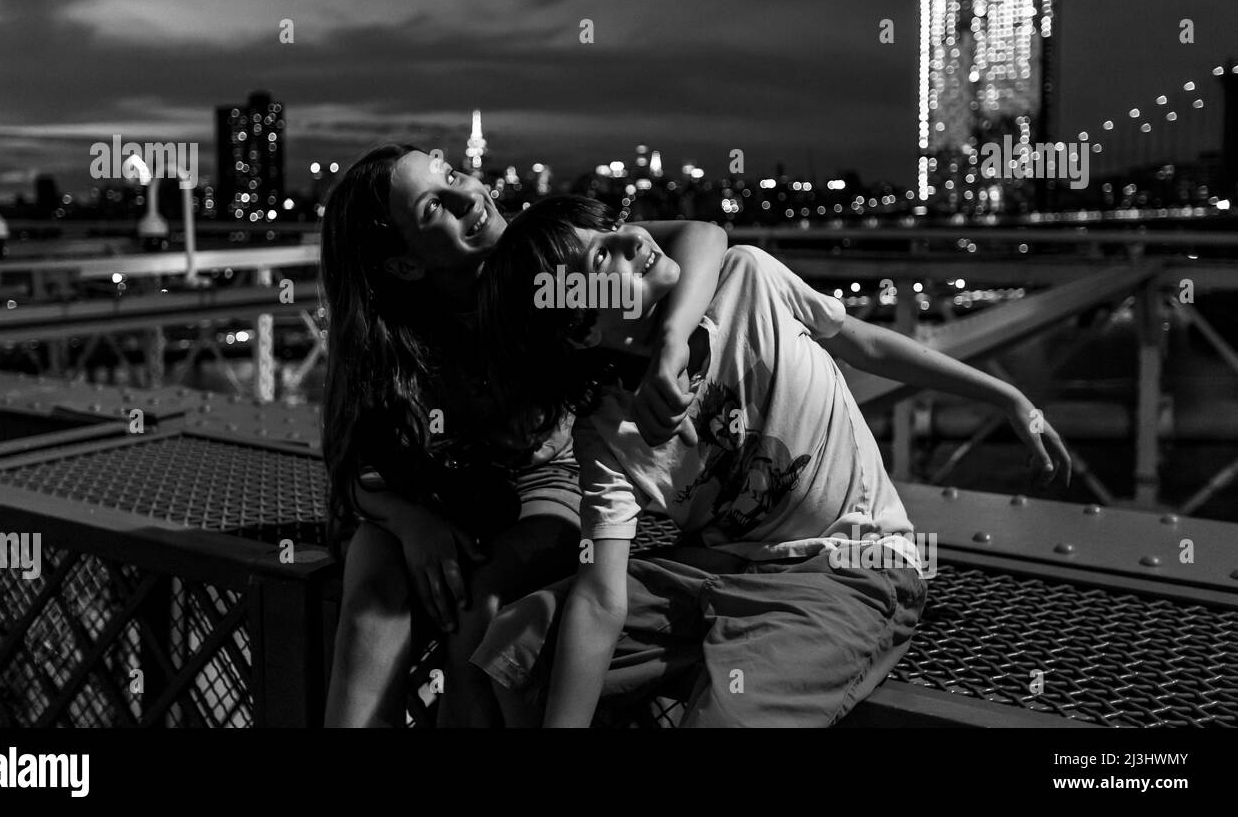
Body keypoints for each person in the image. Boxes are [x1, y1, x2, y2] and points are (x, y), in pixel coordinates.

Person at [472, 195, 1072, 727]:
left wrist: (1007, 397)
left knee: (728, 715)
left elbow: (865, 342)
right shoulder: (606, 431)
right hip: (715, 571)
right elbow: (602, 598)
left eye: (615, 229)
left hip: (848, 565)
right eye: (602, 261)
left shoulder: (747, 279)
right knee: (515, 647)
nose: (633, 240)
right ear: (577, 331)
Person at [319, 146, 728, 726]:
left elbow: (704, 236)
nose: (470, 195)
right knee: (373, 594)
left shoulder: (542, 252)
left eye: (452, 174)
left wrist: (672, 341)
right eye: (437, 205)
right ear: (404, 265)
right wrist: (414, 524)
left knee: (479, 603)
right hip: (440, 493)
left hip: (551, 478)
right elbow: (352, 468)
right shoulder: (386, 335)